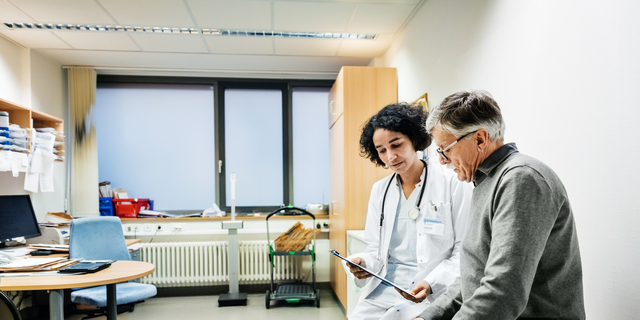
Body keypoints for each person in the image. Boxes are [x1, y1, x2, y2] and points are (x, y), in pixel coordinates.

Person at [416, 91, 585, 320]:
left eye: (445, 149)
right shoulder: (487, 181)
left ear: (480, 139)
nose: (442, 160)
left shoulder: (521, 179)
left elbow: (504, 290)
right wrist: (428, 317)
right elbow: (473, 277)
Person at [347, 103, 472, 320]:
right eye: (382, 150)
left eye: (396, 145)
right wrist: (365, 264)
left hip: (429, 289)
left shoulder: (451, 182)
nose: (390, 156)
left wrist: (432, 283)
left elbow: (464, 250)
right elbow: (375, 248)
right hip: (384, 289)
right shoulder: (380, 191)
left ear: (414, 139)